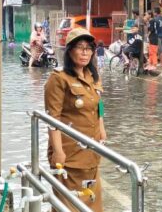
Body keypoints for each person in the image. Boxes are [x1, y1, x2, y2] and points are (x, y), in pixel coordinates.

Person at [44, 28, 106, 212]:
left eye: (89, 48)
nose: (85, 52)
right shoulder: (59, 79)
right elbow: (52, 118)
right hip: (69, 154)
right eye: (80, 47)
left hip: (91, 152)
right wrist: (58, 151)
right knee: (68, 205)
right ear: (69, 50)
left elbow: (99, 104)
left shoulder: (92, 76)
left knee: (92, 204)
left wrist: (102, 128)